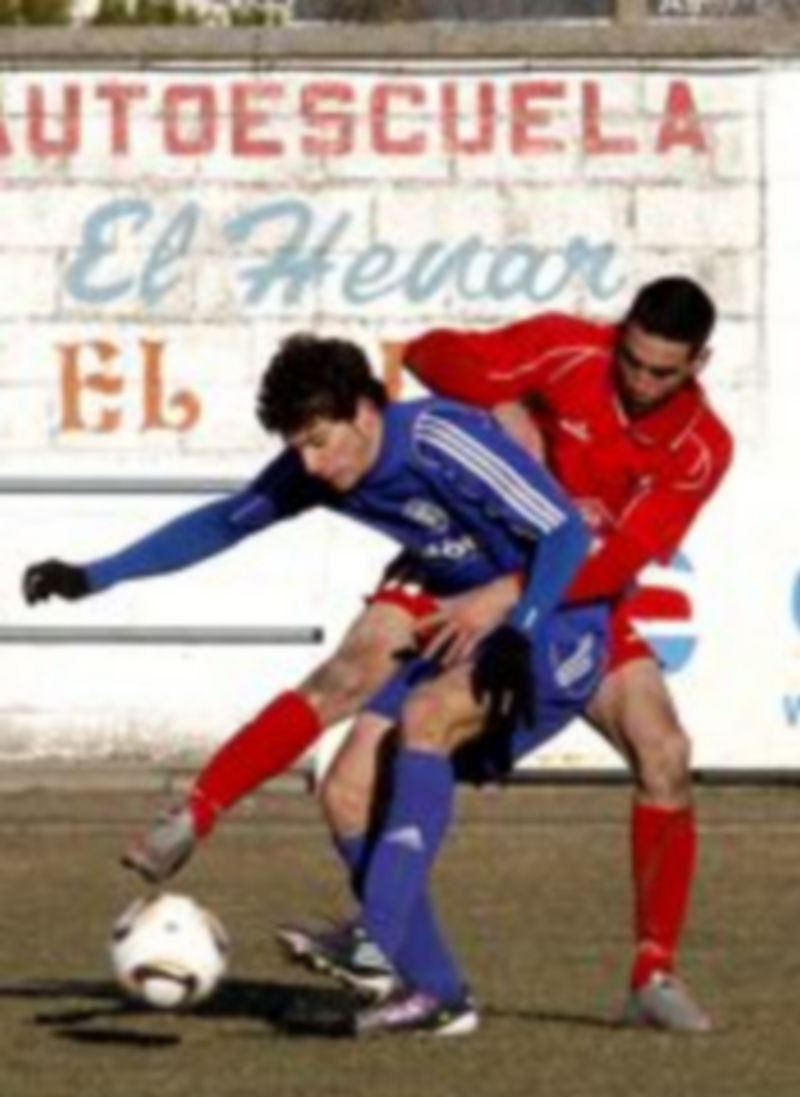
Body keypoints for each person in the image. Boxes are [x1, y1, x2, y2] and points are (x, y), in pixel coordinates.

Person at [22, 334, 607, 1036]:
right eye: (297, 445)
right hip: (464, 624)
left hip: (558, 620)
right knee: (345, 789)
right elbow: (221, 522)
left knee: (425, 713)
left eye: (320, 441)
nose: (310, 463)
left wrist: (520, 623)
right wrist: (96, 573)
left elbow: (567, 534)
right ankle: (438, 994)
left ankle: (374, 942)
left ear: (364, 412)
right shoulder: (319, 462)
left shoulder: (441, 436)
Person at [354, 274, 731, 1033]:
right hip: (469, 566)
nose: (642, 380)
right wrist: (501, 402)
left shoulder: (701, 448)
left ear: (700, 362)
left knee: (666, 752)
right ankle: (391, 951)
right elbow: (430, 354)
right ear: (619, 331)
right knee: (364, 753)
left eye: (665, 370)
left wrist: (515, 593)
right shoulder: (567, 349)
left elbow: (618, 560)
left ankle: (652, 972)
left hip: (575, 601)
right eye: (632, 359)